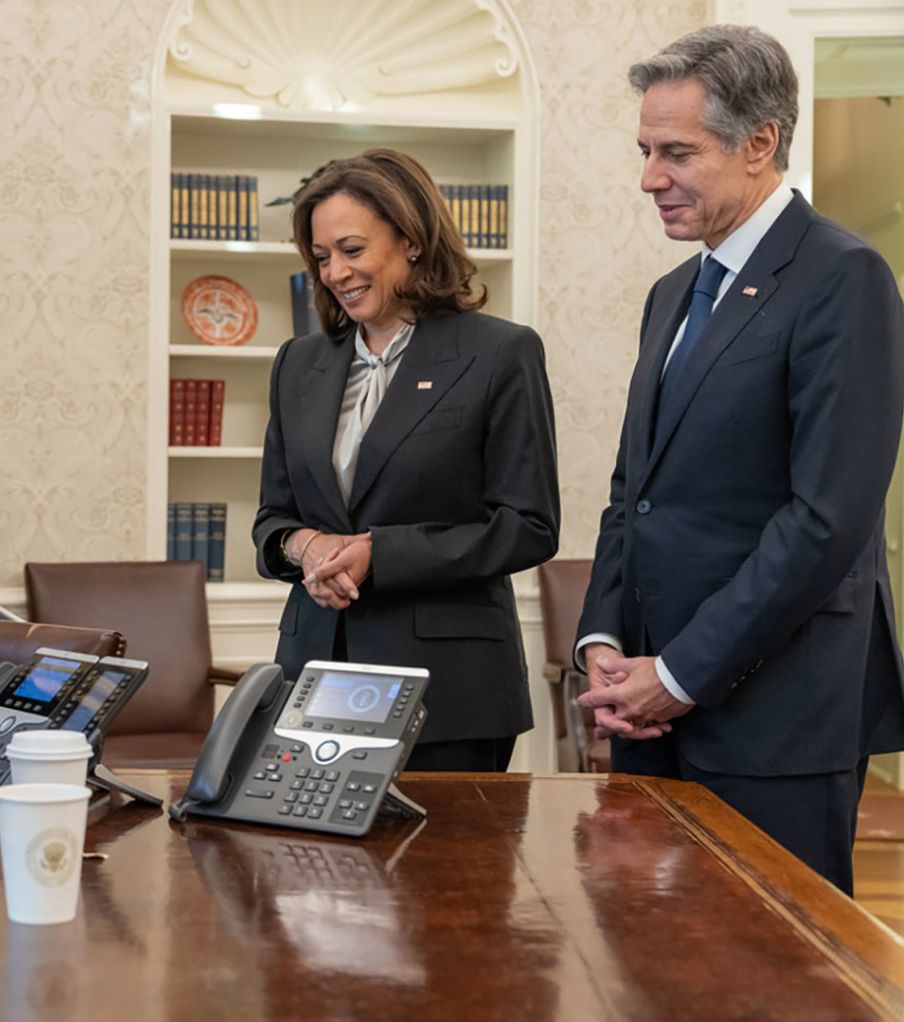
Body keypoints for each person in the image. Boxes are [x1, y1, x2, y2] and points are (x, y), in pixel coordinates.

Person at [575, 25, 904, 894]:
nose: (649, 177)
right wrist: (604, 639)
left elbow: (826, 518)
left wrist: (681, 673)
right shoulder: (672, 293)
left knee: (780, 997)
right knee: (653, 984)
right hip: (647, 712)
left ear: (760, 143)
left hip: (775, 720)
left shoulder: (845, 277)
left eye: (676, 151)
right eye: (646, 150)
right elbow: (632, 494)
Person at [252, 148, 560, 772]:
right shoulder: (299, 363)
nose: (335, 271)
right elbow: (272, 521)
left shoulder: (500, 353)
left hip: (448, 692)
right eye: (321, 257)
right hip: (314, 676)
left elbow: (530, 527)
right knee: (312, 870)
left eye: (352, 249)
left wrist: (380, 554)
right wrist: (305, 547)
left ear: (411, 241)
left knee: (447, 873)